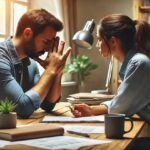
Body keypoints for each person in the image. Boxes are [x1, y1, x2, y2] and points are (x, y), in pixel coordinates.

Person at [70, 14, 150, 149]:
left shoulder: (139, 63)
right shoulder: (134, 61)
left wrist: (93, 110)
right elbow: (122, 101)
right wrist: (92, 109)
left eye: (99, 39)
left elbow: (119, 108)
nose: (96, 45)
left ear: (113, 41)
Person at [0, 9, 72, 118]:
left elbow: (48, 104)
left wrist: (57, 72)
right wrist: (50, 70)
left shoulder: (31, 63)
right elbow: (22, 108)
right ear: (27, 33)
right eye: (46, 42)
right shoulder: (1, 58)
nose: (48, 49)